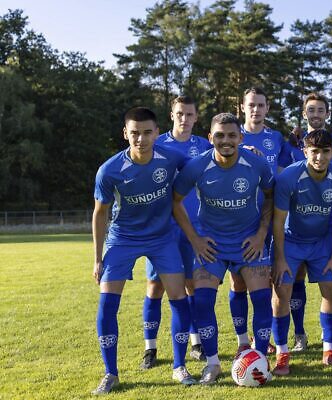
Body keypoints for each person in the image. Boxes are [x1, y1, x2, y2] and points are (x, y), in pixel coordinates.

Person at [91, 107, 196, 394]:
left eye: (147, 132)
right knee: (107, 304)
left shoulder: (170, 157)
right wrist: (97, 258)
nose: (141, 139)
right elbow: (100, 214)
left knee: (178, 298)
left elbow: (203, 165)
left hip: (162, 239)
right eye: (135, 133)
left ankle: (179, 366)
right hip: (122, 239)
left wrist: (247, 153)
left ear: (157, 133)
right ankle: (110, 374)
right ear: (125, 133)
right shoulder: (109, 170)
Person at [171, 113, 274, 384]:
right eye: (220, 135)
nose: (225, 141)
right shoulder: (197, 166)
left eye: (231, 135)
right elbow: (175, 200)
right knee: (202, 301)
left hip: (248, 242)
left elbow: (271, 197)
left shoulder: (256, 164)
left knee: (262, 299)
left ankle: (260, 361)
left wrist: (262, 233)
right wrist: (195, 239)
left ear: (240, 137)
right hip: (211, 244)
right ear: (210, 138)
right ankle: (213, 363)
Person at [271, 129, 332, 375]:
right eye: (314, 152)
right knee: (281, 291)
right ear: (305, 151)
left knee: (331, 289)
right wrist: (280, 258)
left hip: (322, 242)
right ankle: (281, 354)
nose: (319, 157)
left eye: (325, 151)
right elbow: (278, 220)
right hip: (291, 241)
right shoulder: (289, 177)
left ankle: (330, 352)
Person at [141, 96, 212, 369]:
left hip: (195, 228)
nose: (185, 118)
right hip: (163, 229)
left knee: (191, 284)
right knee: (155, 286)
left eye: (190, 114)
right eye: (180, 113)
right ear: (172, 115)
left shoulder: (204, 146)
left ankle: (195, 342)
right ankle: (150, 348)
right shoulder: (157, 145)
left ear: (196, 117)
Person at [229, 87, 287, 354]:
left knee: (273, 279)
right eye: (251, 105)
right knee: (238, 281)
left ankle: (271, 339)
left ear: (267, 108)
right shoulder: (231, 136)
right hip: (240, 218)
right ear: (243, 107)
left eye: (260, 105)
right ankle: (243, 340)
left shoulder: (276, 137)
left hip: (272, 214)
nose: (256, 109)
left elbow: (284, 172)